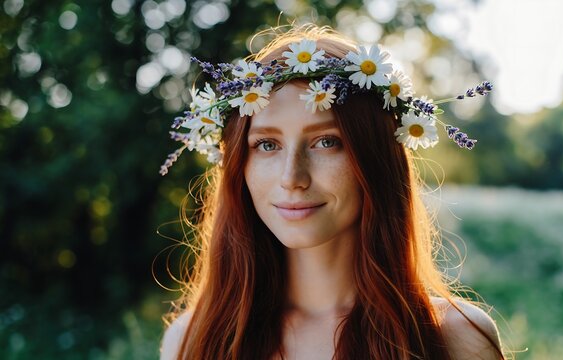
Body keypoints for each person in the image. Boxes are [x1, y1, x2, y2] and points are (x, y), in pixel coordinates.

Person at [159, 24, 503, 359]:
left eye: (326, 142)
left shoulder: (455, 338)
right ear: (238, 166)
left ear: (374, 157)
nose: (292, 177)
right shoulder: (192, 342)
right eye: (266, 144)